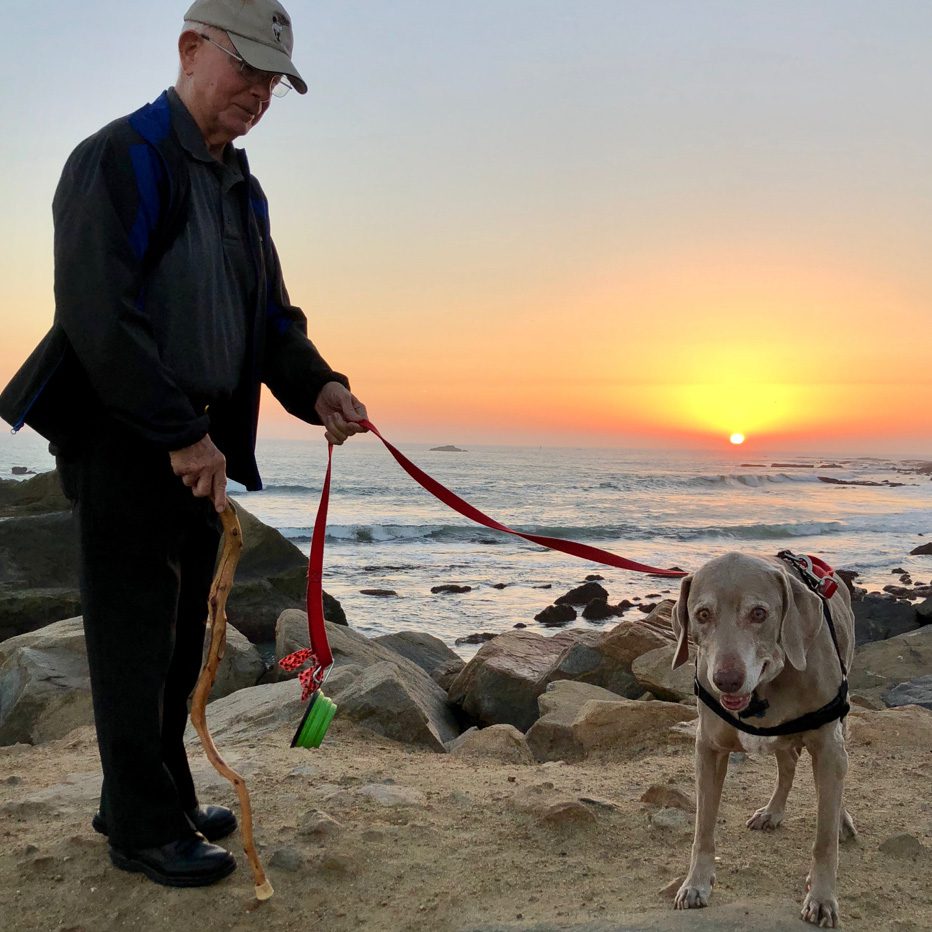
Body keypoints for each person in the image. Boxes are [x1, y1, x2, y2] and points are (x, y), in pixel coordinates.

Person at [0, 0, 367, 888]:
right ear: (191, 49)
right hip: (126, 439)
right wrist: (179, 435)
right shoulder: (117, 159)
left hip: (197, 443)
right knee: (132, 639)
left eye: (274, 80)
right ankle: (139, 827)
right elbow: (99, 318)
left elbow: (270, 318)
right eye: (247, 68)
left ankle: (152, 790)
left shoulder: (241, 184)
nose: (260, 92)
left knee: (176, 639)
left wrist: (317, 384)